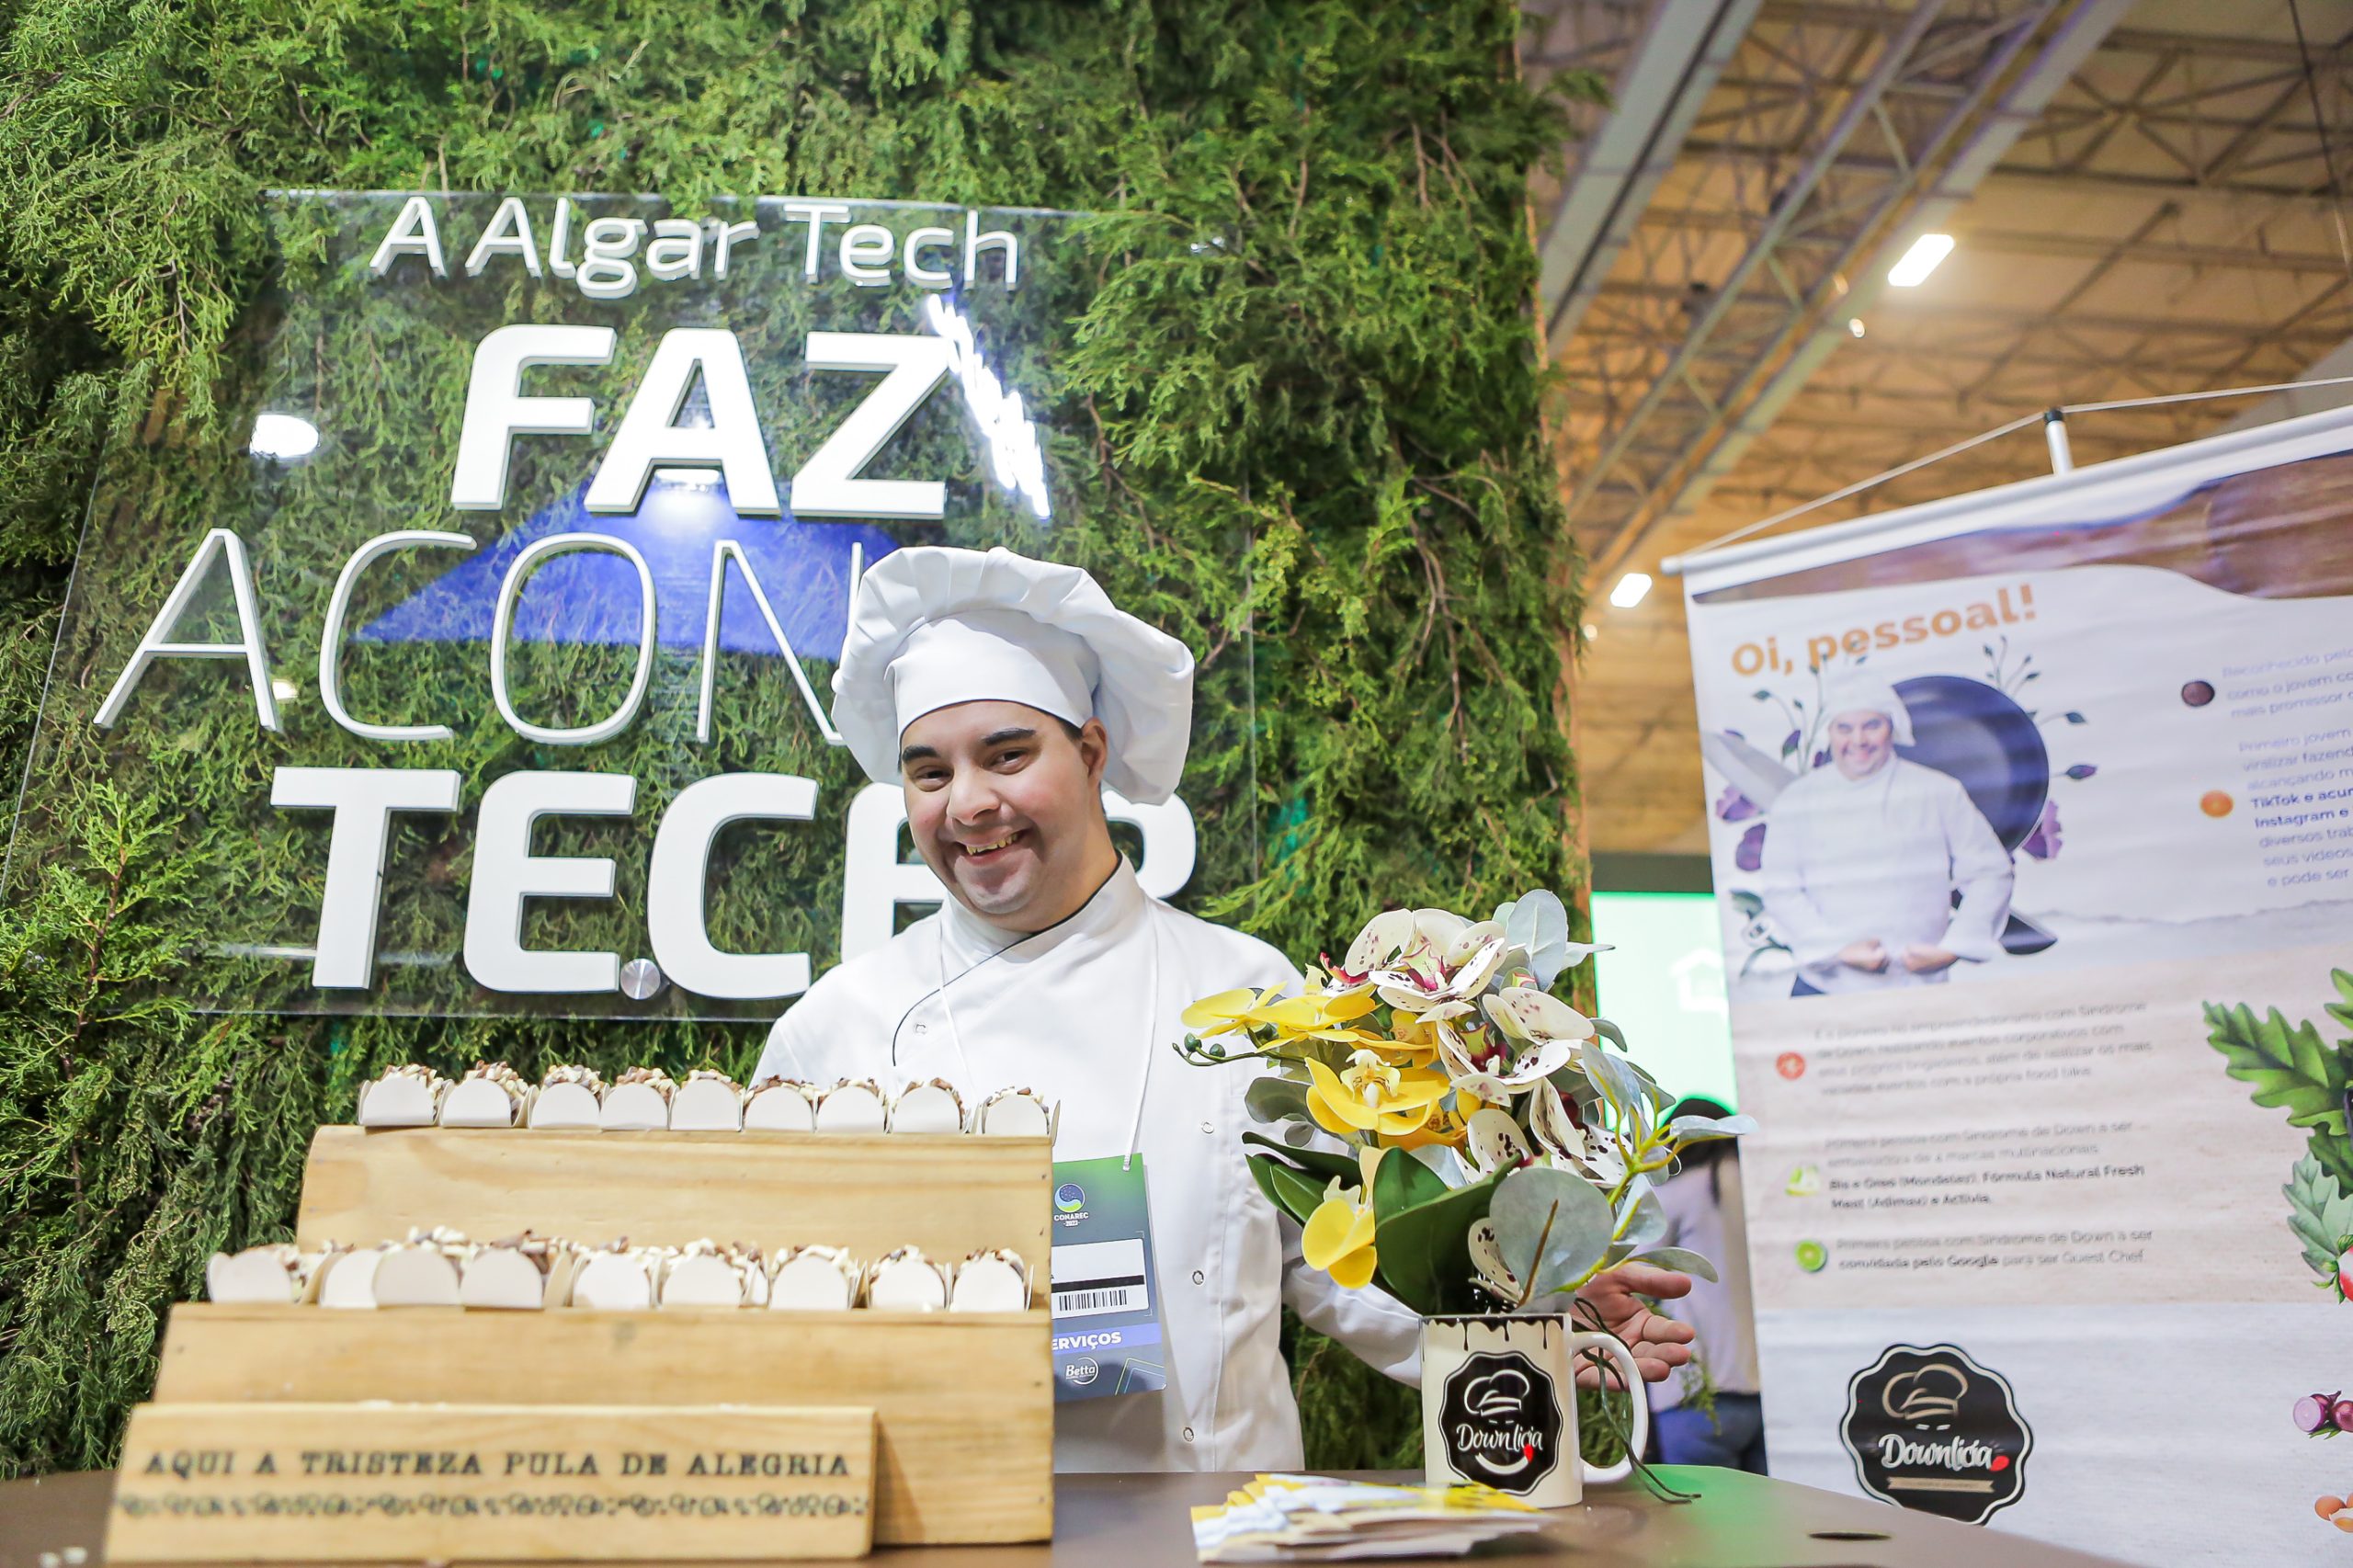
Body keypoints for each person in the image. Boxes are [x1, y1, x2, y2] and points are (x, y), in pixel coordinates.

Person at [755, 544, 1695, 1474]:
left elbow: (1351, 1261)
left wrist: (1529, 1312)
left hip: (1218, 1521)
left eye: (1007, 754)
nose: (968, 802)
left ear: (1090, 753)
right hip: (956, 1527)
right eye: (929, 772)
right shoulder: (841, 1023)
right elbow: (774, 1319)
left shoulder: (1246, 991)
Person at [1759, 672, 2013, 997]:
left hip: (1916, 988)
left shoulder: (1938, 792)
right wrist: (1836, 950)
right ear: (1830, 733)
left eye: (1871, 726)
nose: (1858, 740)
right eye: (1845, 728)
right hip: (1824, 989)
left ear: (1893, 728)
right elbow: (1781, 889)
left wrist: (1954, 946)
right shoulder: (1797, 799)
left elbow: (1990, 872)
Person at [1647, 1097, 1764, 1473]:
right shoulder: (1759, 1188)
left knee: (1703, 1526)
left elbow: (1631, 1270)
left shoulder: (1678, 1191)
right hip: (1766, 1394)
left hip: (1696, 1395)